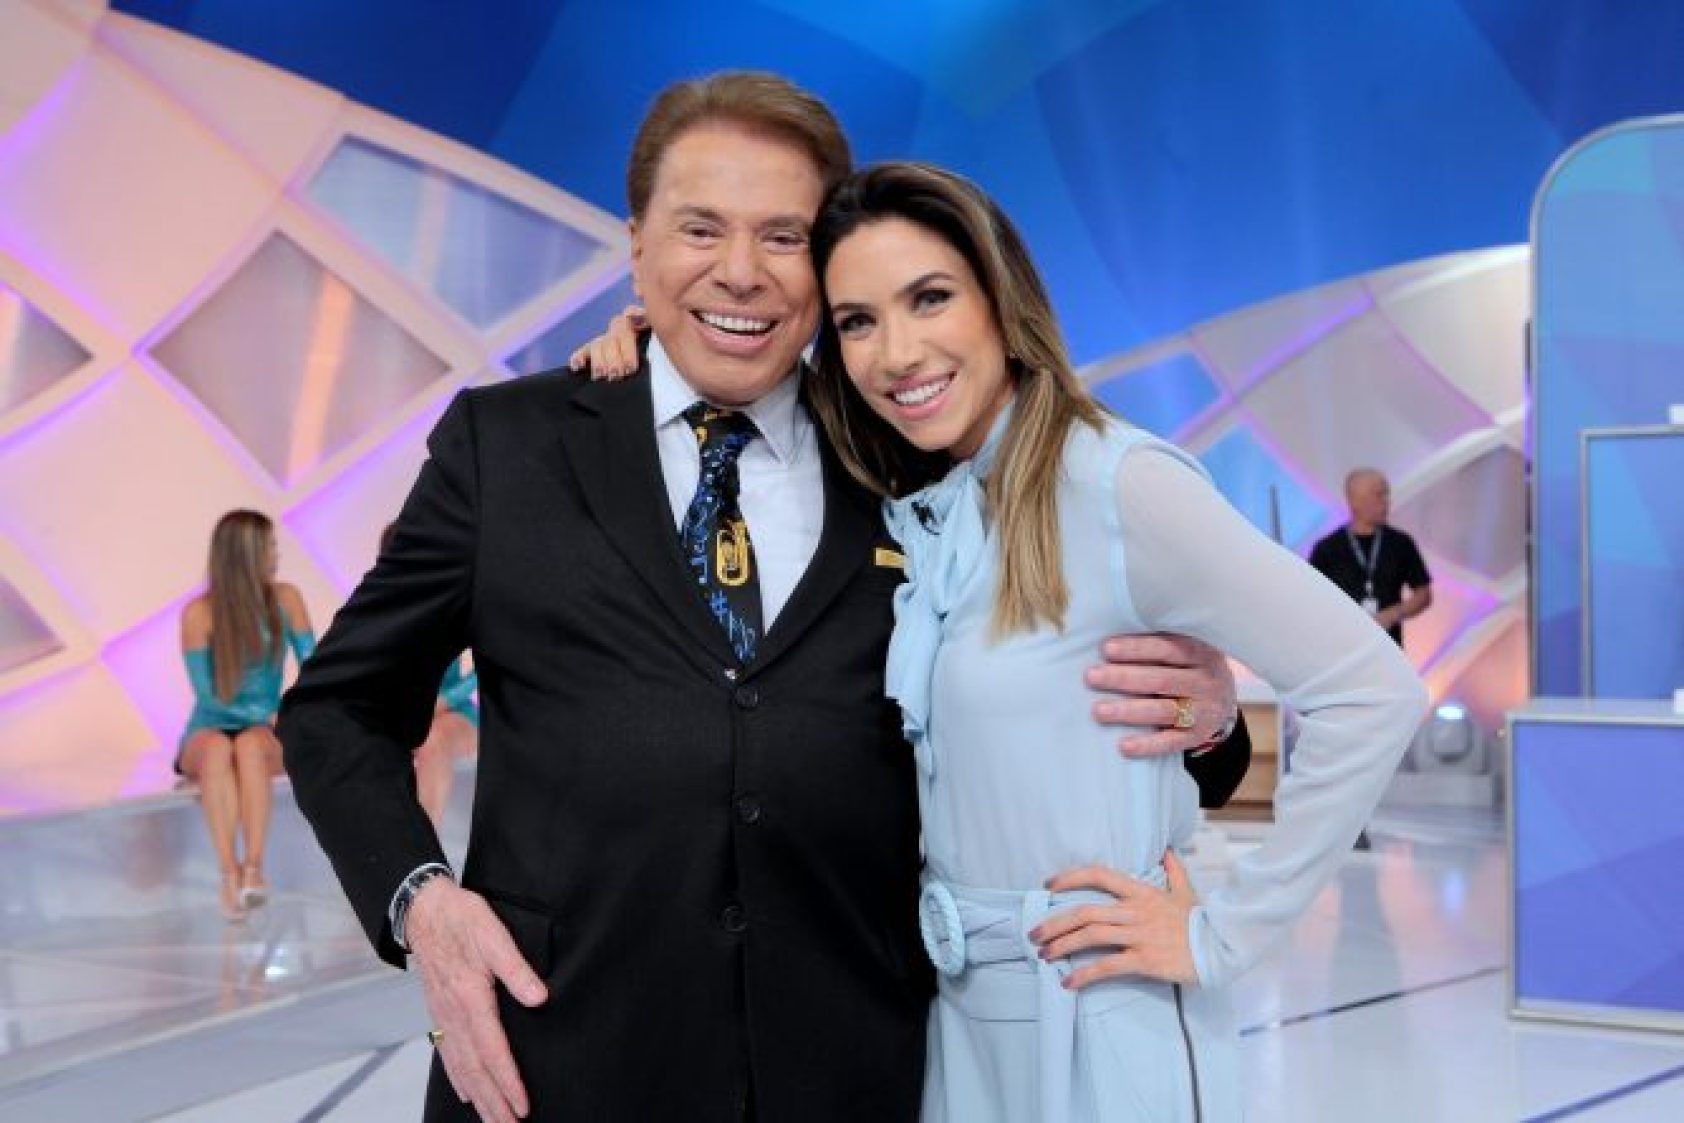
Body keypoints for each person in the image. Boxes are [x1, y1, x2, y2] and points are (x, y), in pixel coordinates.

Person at [279, 72, 1248, 1123]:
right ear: (636, 244)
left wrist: (1208, 718)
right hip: (557, 1069)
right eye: (700, 229)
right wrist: (421, 903)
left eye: (782, 237)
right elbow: (339, 708)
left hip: (857, 1077)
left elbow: (1099, 703)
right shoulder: (504, 448)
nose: (739, 272)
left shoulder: (919, 465)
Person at [801, 161, 1428, 1121]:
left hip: (1103, 1015)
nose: (897, 352)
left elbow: (1372, 690)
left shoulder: (1116, 482)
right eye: (857, 321)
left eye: (930, 298)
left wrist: (1224, 933)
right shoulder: (924, 507)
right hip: (959, 1020)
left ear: (1000, 298)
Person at [178, 510, 314, 923]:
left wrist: (283, 715)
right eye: (270, 546)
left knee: (251, 745)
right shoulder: (199, 614)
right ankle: (229, 873)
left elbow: (315, 669)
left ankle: (254, 868)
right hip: (210, 726)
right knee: (220, 748)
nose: (276, 555)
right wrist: (264, 713)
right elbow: (208, 696)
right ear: (246, 555)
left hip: (262, 730)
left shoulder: (286, 599)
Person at [379, 522, 480, 830]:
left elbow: (490, 664)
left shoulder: (459, 600)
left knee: (432, 737)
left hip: (453, 715)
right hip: (398, 718)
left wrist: (443, 701)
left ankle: (423, 847)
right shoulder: (375, 613)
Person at [1308, 468, 1434, 646]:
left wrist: (1392, 614)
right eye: (1379, 495)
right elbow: (1311, 599)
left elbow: (1423, 594)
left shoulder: (1400, 543)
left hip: (1388, 646)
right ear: (1355, 501)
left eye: (1386, 495)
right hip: (1341, 646)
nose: (1386, 502)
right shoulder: (1327, 548)